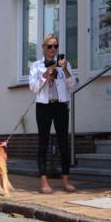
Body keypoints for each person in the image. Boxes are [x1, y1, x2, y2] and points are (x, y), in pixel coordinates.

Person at [28, 33, 77, 193]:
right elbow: (33, 88)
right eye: (49, 46)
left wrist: (66, 70)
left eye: (55, 46)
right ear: (43, 47)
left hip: (60, 106)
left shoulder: (64, 65)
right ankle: (44, 182)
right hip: (44, 106)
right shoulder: (36, 66)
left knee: (64, 143)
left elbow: (73, 86)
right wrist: (44, 76)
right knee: (44, 143)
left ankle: (66, 181)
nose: (53, 49)